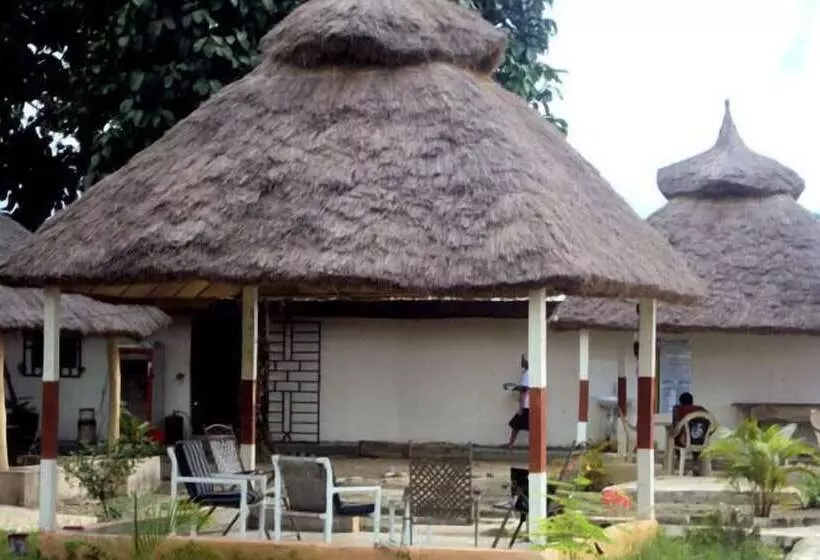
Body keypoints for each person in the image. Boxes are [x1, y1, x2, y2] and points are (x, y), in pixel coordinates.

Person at [506, 357, 530, 448]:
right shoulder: (534, 373)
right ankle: (511, 444)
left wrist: (521, 406)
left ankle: (511, 444)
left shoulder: (527, 374)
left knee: (516, 424)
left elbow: (524, 390)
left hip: (527, 405)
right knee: (517, 425)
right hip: (532, 404)